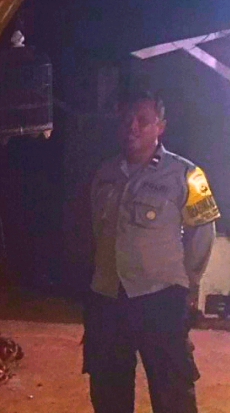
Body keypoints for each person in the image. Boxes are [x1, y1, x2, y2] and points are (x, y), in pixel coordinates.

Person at [85, 91, 219, 413]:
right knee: (108, 389)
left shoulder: (188, 174)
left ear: (161, 126)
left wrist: (189, 283)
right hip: (108, 297)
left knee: (172, 389)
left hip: (160, 298)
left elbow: (203, 232)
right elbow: (97, 231)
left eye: (143, 120)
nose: (132, 127)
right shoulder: (105, 173)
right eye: (126, 120)